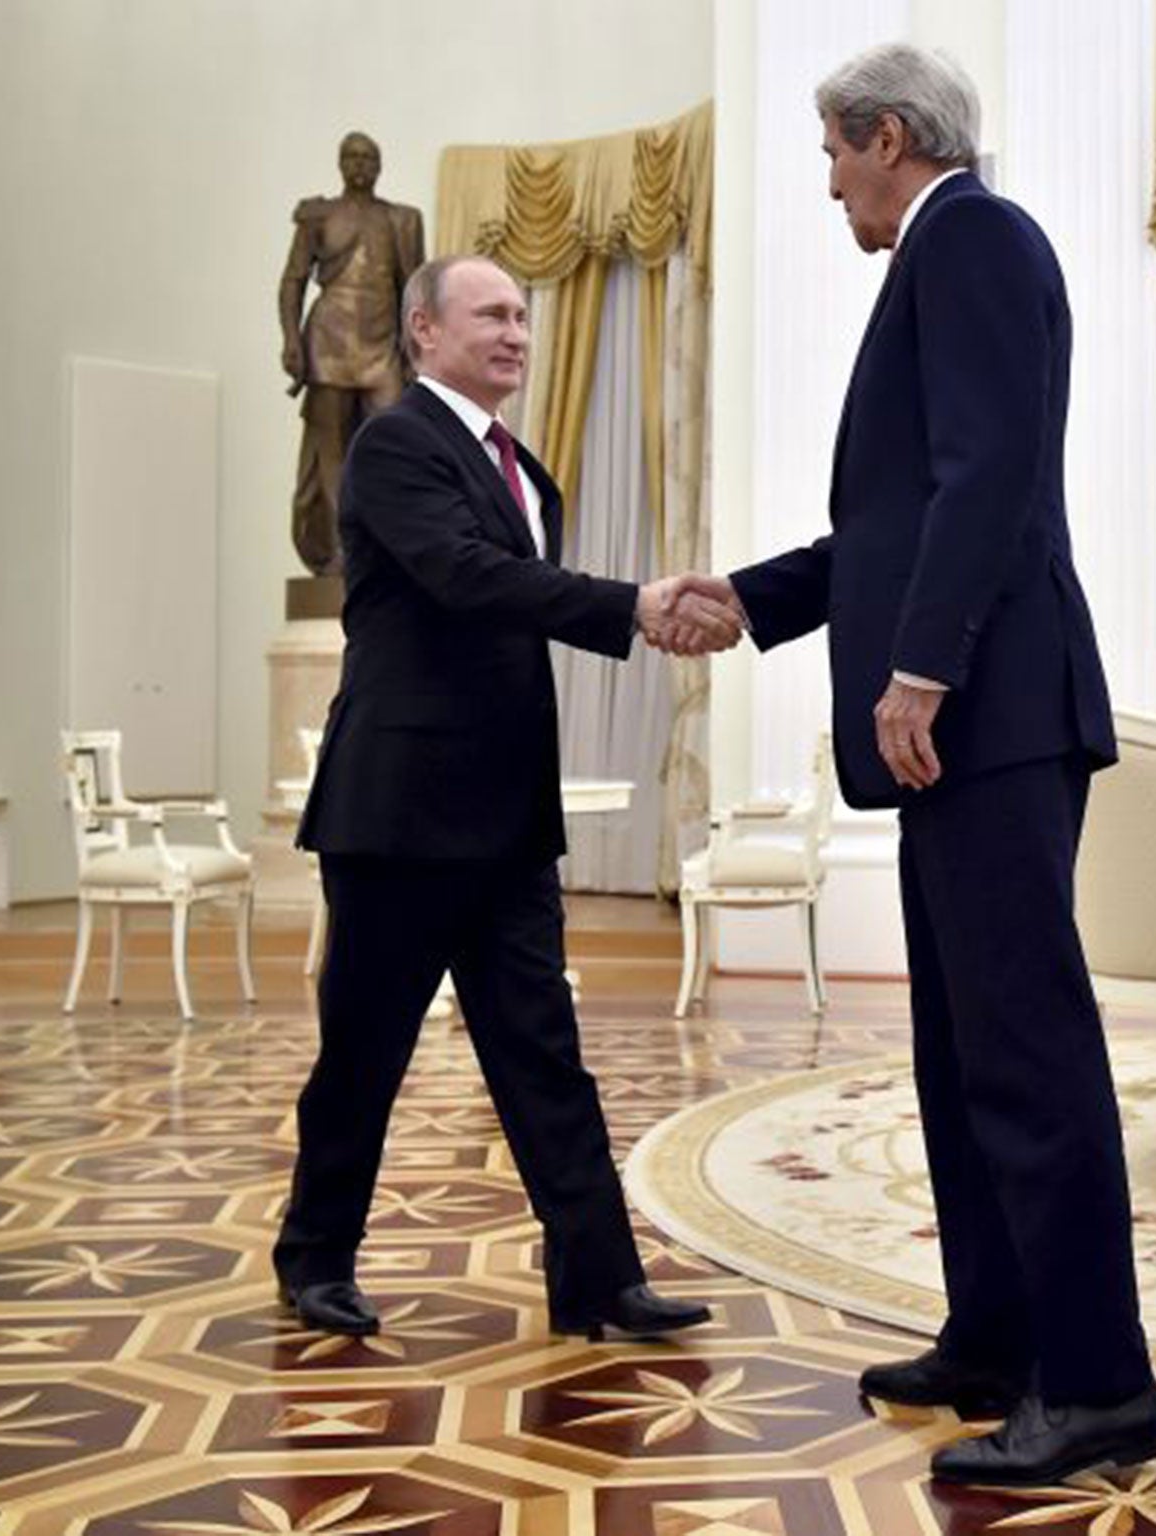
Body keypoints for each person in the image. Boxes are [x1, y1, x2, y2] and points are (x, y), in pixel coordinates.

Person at [682, 44, 1156, 1485]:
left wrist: (924, 665)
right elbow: (898, 524)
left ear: (888, 135)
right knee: (963, 1052)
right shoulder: (945, 254)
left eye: (834, 155)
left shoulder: (977, 237)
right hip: (967, 727)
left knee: (1027, 1053)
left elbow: (992, 475)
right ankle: (997, 1338)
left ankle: (1097, 1387)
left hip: (991, 716)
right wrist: (752, 600)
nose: (830, 183)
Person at [275, 253, 735, 1342]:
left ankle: (600, 1282)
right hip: (398, 813)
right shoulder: (394, 444)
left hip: (506, 815)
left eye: (525, 317)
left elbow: (505, 605)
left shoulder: (525, 466)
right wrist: (632, 605)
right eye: (491, 314)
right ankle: (314, 1260)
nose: (516, 333)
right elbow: (465, 575)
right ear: (424, 332)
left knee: (543, 1053)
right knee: (364, 1053)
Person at [279, 131, 425, 575]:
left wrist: (417, 353)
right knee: (332, 451)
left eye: (368, 158)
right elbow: (293, 281)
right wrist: (290, 338)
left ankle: (387, 541)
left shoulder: (402, 220)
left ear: (379, 166)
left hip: (382, 345)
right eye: (352, 157)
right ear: (340, 163)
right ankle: (343, 548)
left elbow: (416, 291)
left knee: (392, 443)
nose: (360, 165)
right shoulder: (318, 216)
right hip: (329, 340)